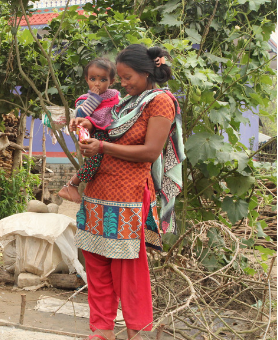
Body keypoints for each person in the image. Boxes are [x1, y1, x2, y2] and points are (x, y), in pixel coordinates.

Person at [70, 44, 185, 340]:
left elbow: (149, 152)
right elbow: (104, 132)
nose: (123, 83)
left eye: (127, 77)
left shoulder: (160, 101)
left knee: (129, 271)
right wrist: (86, 127)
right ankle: (102, 330)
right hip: (97, 193)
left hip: (129, 196)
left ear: (147, 74)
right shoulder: (124, 104)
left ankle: (137, 331)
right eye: (120, 78)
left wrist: (103, 145)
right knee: (96, 264)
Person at [58, 57, 120, 203]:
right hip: (94, 137)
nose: (97, 83)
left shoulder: (115, 97)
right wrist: (94, 97)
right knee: (93, 162)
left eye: (103, 80)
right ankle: (71, 184)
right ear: (86, 79)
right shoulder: (85, 99)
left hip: (112, 135)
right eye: (93, 79)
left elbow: (118, 115)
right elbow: (81, 115)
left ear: (112, 81)